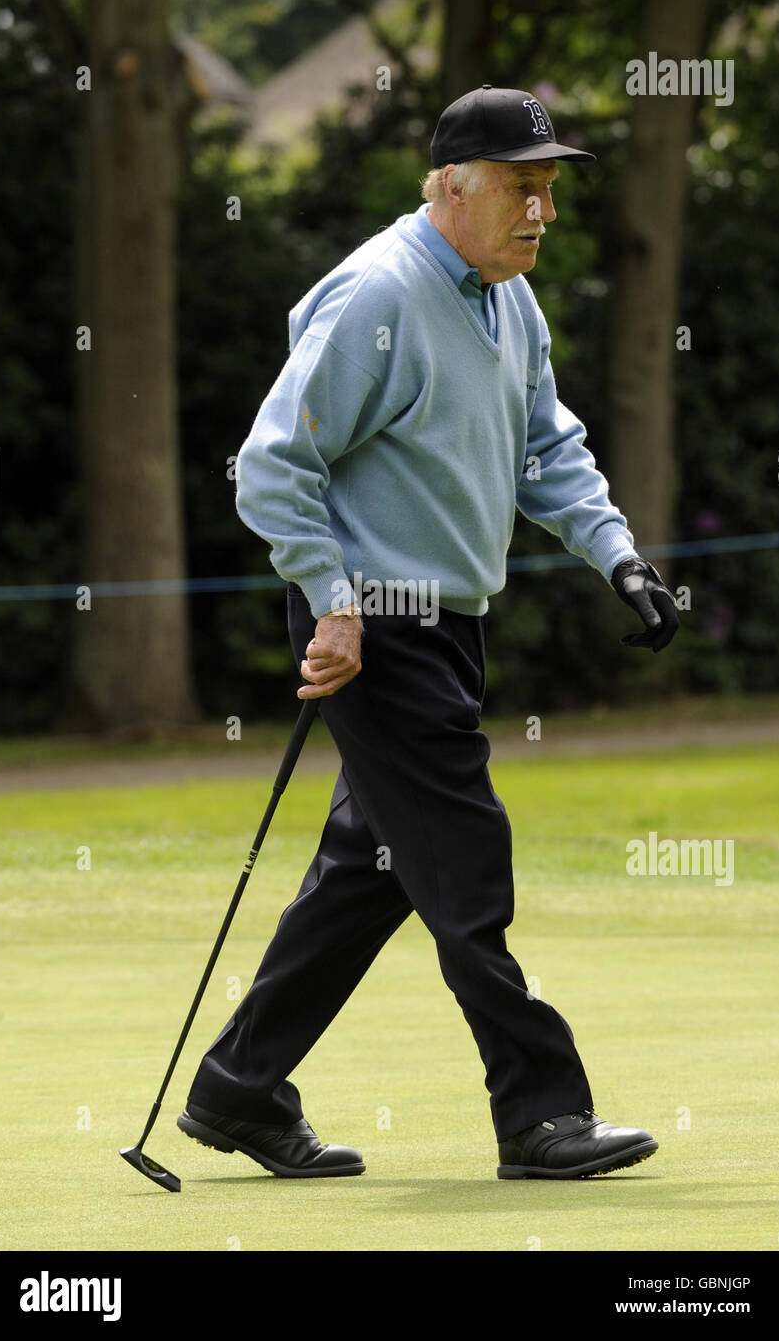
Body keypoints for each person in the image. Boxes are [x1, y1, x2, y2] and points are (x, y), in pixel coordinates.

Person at [178, 85, 679, 1181]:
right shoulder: (377, 295)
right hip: (375, 623)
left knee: (371, 867)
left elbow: (545, 449)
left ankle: (236, 1089)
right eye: (519, 188)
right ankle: (541, 1113)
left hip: (444, 623)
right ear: (450, 187)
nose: (539, 211)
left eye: (547, 191)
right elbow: (272, 469)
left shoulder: (507, 297)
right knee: (462, 858)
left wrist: (619, 557)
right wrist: (333, 599)